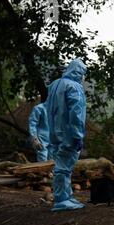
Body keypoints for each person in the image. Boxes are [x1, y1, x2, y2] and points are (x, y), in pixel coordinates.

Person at [45, 58, 88, 212]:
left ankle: (66, 196)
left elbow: (48, 109)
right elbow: (76, 113)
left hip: (55, 132)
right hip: (69, 133)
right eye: (83, 73)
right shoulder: (74, 87)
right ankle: (62, 200)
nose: (83, 77)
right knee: (64, 167)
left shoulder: (55, 84)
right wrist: (77, 134)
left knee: (61, 165)